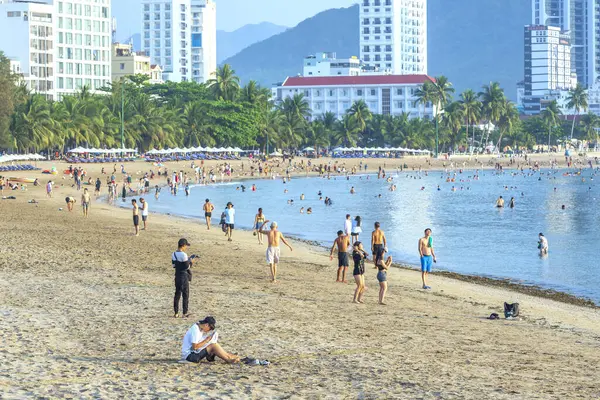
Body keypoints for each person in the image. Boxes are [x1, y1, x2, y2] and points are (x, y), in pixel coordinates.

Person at [173, 238, 194, 318]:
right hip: (184, 276)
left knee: (177, 294)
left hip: (177, 275)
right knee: (185, 294)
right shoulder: (184, 255)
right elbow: (187, 267)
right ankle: (184, 313)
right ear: (183, 246)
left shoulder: (174, 254)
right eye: (186, 246)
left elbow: (174, 266)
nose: (186, 248)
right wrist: (191, 262)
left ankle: (176, 312)